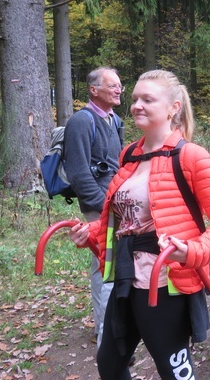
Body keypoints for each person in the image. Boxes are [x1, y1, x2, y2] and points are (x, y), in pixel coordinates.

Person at [68, 70, 210, 380]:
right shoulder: (130, 154)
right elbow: (122, 219)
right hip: (126, 277)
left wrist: (193, 250)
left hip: (165, 283)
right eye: (134, 99)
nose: (136, 105)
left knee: (174, 372)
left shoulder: (191, 156)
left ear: (174, 107)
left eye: (148, 99)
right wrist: (90, 232)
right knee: (110, 364)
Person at [63, 66, 125, 346]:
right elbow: (78, 173)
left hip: (118, 204)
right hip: (99, 206)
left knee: (113, 264)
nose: (118, 89)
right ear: (93, 90)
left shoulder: (116, 120)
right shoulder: (81, 121)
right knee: (105, 267)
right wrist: (103, 208)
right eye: (112, 85)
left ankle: (114, 324)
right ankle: (106, 333)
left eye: (120, 85)